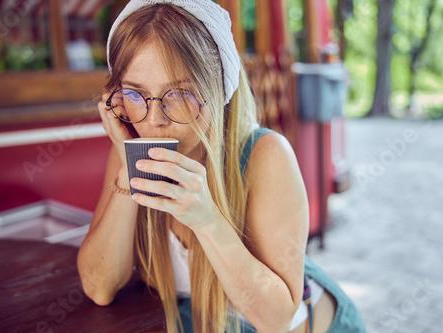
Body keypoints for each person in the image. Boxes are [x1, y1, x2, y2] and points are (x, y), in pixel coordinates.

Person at [77, 1, 365, 332]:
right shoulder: (131, 144)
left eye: (180, 94)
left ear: (218, 90)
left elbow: (277, 320)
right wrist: (129, 175)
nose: (154, 121)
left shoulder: (265, 155)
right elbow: (99, 287)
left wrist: (207, 220)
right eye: (135, 93)